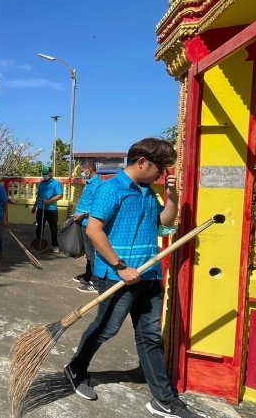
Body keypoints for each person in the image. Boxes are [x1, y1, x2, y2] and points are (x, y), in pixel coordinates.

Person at [62, 138, 197, 418]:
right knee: (105, 329)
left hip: (149, 275)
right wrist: (121, 266)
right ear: (142, 162)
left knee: (149, 336)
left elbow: (165, 223)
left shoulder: (148, 192)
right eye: (161, 167)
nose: (163, 173)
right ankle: (76, 369)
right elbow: (94, 230)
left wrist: (172, 198)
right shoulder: (111, 189)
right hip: (117, 277)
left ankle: (163, 399)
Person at [72, 161, 102, 293]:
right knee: (88, 253)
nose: (83, 173)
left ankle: (96, 283)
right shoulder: (90, 183)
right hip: (83, 222)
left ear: (89, 169)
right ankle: (88, 275)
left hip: (89, 223)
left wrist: (83, 215)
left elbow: (98, 206)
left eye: (84, 170)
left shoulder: (97, 185)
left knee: (92, 254)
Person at [32, 165, 63, 253]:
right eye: (43, 174)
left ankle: (55, 245)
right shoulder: (41, 183)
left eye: (46, 174)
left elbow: (60, 195)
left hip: (51, 209)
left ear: (50, 173)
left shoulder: (56, 183)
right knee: (39, 227)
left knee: (53, 228)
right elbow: (39, 195)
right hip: (41, 208)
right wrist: (35, 206)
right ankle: (38, 243)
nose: (45, 175)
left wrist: (49, 201)